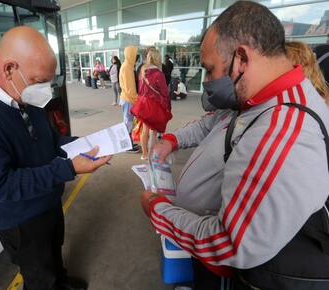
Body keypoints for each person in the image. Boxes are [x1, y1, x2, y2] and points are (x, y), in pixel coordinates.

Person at [141, 2, 329, 290]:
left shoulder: (281, 131)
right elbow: (211, 123)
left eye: (210, 69)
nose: (206, 81)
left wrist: (158, 210)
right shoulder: (259, 97)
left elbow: (229, 246)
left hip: (237, 273)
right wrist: (173, 140)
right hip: (203, 249)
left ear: (241, 58)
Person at [0, 26, 111, 290]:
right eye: (40, 81)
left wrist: (86, 145)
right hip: (19, 218)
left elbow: (51, 143)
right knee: (38, 273)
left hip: (47, 199)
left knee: (53, 255)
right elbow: (1, 185)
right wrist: (69, 168)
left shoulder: (23, 94)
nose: (46, 91)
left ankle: (59, 281)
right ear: (9, 69)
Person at [138, 48, 170, 160]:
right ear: (157, 58)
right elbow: (164, 92)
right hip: (154, 105)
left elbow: (140, 88)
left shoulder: (142, 70)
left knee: (144, 129)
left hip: (142, 103)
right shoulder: (158, 73)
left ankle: (144, 154)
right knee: (153, 132)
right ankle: (151, 155)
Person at [119, 45, 140, 153]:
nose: (136, 56)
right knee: (128, 123)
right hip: (128, 99)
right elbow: (130, 88)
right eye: (135, 54)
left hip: (127, 99)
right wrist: (137, 100)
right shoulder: (127, 67)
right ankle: (127, 146)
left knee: (128, 122)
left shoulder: (128, 65)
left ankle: (129, 144)